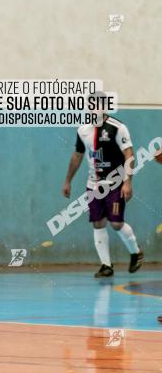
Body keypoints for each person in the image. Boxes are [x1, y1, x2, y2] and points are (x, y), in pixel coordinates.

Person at [62, 104, 143, 277]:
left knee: (116, 223)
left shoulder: (118, 127)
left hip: (115, 182)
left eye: (97, 107)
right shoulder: (83, 130)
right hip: (93, 184)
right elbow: (77, 155)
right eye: (90, 107)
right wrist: (68, 180)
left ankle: (136, 252)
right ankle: (106, 265)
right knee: (98, 222)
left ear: (104, 108)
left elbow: (129, 154)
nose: (93, 110)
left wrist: (127, 182)